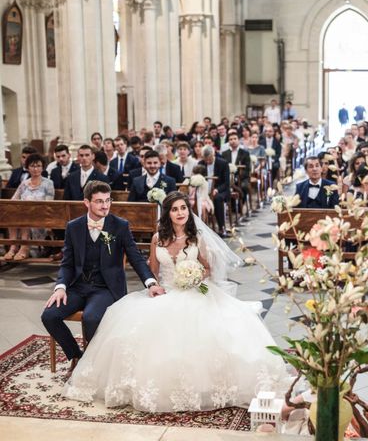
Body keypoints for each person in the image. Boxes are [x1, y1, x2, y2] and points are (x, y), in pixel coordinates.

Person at [63, 192, 285, 412]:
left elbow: (207, 268)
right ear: (167, 213)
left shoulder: (197, 237)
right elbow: (154, 272)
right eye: (175, 209)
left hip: (196, 292)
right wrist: (154, 288)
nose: (180, 213)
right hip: (166, 291)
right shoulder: (157, 239)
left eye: (183, 208)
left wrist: (195, 276)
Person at [42, 181, 160, 376]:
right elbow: (67, 263)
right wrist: (60, 287)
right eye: (99, 202)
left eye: (108, 200)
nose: (105, 206)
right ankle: (77, 356)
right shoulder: (74, 227)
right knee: (49, 316)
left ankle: (95, 363)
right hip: (78, 286)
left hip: (106, 288)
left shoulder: (120, 226)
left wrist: (151, 283)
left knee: (91, 317)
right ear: (86, 203)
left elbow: (136, 257)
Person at [3, 153, 55, 261]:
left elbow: (48, 204)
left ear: (42, 167)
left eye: (38, 166)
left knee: (23, 217)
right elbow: (13, 200)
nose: (35, 169)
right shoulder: (24, 184)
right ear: (28, 168)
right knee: (12, 216)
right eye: (32, 166)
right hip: (22, 215)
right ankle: (13, 247)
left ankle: (24, 248)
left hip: (40, 216)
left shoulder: (48, 183)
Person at [198, 145, 231, 236]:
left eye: (209, 159)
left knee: (217, 198)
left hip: (220, 190)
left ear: (213, 154)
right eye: (206, 159)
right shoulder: (201, 163)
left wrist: (217, 189)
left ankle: (221, 226)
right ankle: (200, 228)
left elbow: (226, 183)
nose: (208, 161)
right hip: (204, 190)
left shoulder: (223, 163)